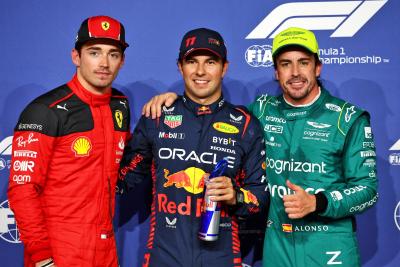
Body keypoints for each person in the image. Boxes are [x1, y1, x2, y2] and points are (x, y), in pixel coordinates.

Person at [142, 27, 378, 267]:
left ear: (317, 67)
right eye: (286, 64)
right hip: (277, 244)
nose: (295, 73)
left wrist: (318, 202)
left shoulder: (348, 119)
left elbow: (368, 191)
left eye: (303, 63)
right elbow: (215, 112)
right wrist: (175, 102)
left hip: (329, 244)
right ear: (276, 72)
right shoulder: (262, 111)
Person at [118, 28, 268, 267]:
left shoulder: (246, 124)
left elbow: (260, 197)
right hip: (163, 257)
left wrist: (236, 196)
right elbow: (122, 179)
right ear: (180, 66)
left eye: (210, 62)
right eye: (191, 62)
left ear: (224, 67)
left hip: (222, 257)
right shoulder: (157, 116)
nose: (200, 71)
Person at [8, 15, 130, 267]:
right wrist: (42, 257)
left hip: (106, 251)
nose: (104, 63)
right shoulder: (44, 110)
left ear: (122, 61)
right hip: (58, 253)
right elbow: (22, 190)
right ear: (76, 56)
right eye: (94, 52)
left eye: (113, 54)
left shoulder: (121, 105)